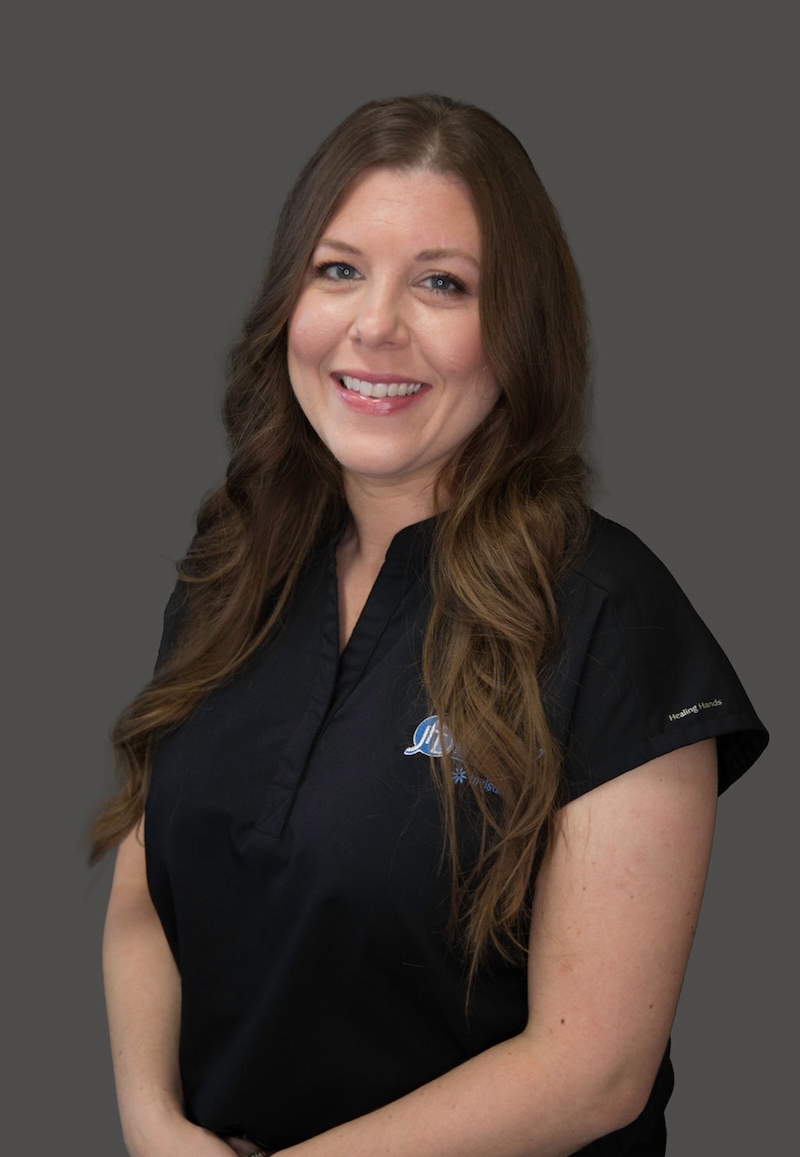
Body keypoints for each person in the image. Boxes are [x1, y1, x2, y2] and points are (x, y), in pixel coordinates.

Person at [93, 94, 767, 1157]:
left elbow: (592, 1068)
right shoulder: (233, 569)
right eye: (338, 270)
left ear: (518, 332)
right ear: (289, 304)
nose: (373, 326)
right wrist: (150, 1123)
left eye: (441, 284)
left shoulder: (611, 620)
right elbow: (145, 887)